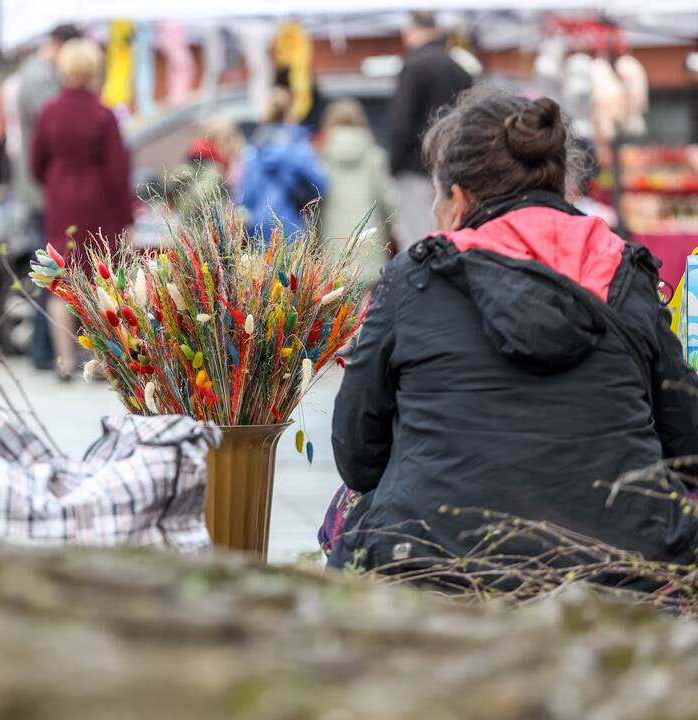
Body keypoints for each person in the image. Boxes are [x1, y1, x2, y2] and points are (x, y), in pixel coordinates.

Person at [324, 87, 698, 586]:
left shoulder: (414, 278)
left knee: (347, 517)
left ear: (458, 198)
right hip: (622, 573)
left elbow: (358, 456)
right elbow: (689, 445)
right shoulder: (626, 275)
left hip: (437, 572)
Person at [31, 38, 133, 381]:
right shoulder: (104, 115)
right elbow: (118, 172)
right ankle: (97, 361)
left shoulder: (48, 112)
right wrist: (126, 219)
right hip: (97, 203)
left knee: (60, 280)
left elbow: (34, 163)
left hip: (61, 200)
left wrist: (55, 181)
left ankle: (63, 361)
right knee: (97, 279)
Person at [12, 24, 79, 371]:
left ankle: (43, 350)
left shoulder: (37, 74)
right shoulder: (40, 79)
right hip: (43, 193)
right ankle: (42, 350)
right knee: (50, 270)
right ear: (58, 46)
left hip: (43, 189)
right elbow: (53, 134)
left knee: (50, 268)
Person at [389, 11, 472, 250]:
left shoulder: (414, 66)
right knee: (448, 238)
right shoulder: (460, 69)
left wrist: (394, 165)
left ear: (412, 30)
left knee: (416, 241)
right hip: (453, 170)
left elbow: (401, 123)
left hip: (414, 168)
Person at [239, 87, 328, 242]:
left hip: (258, 231)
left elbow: (245, 197)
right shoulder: (299, 148)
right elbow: (322, 186)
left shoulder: (253, 151)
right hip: (292, 229)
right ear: (289, 112)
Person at [319, 99, 394, 279]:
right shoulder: (375, 157)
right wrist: (388, 232)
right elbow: (388, 203)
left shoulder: (321, 157)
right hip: (370, 249)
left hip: (332, 252)